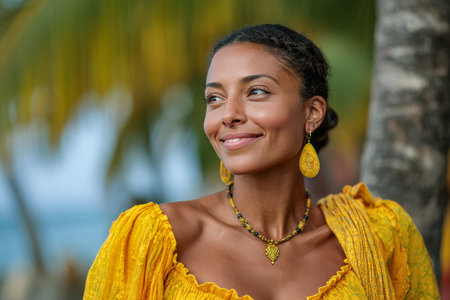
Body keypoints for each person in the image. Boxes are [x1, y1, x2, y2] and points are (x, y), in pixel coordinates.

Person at [83, 24, 439, 299]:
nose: (228, 115)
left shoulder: (379, 235)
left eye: (256, 92)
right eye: (215, 98)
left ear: (312, 112)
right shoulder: (154, 240)